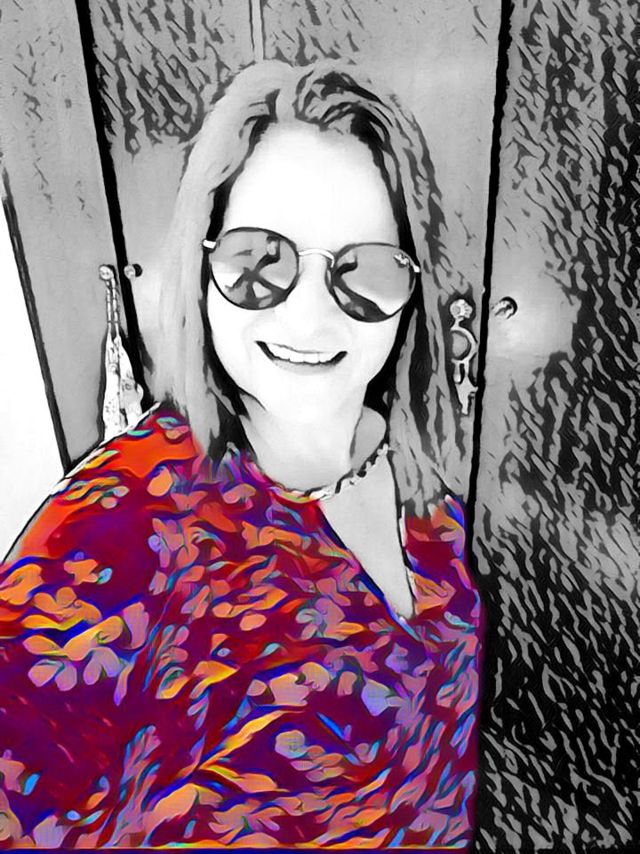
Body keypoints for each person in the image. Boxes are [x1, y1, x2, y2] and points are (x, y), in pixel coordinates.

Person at [0, 60, 484, 849]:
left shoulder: (416, 465)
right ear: (202, 266)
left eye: (364, 267)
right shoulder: (113, 530)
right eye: (260, 260)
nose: (311, 316)